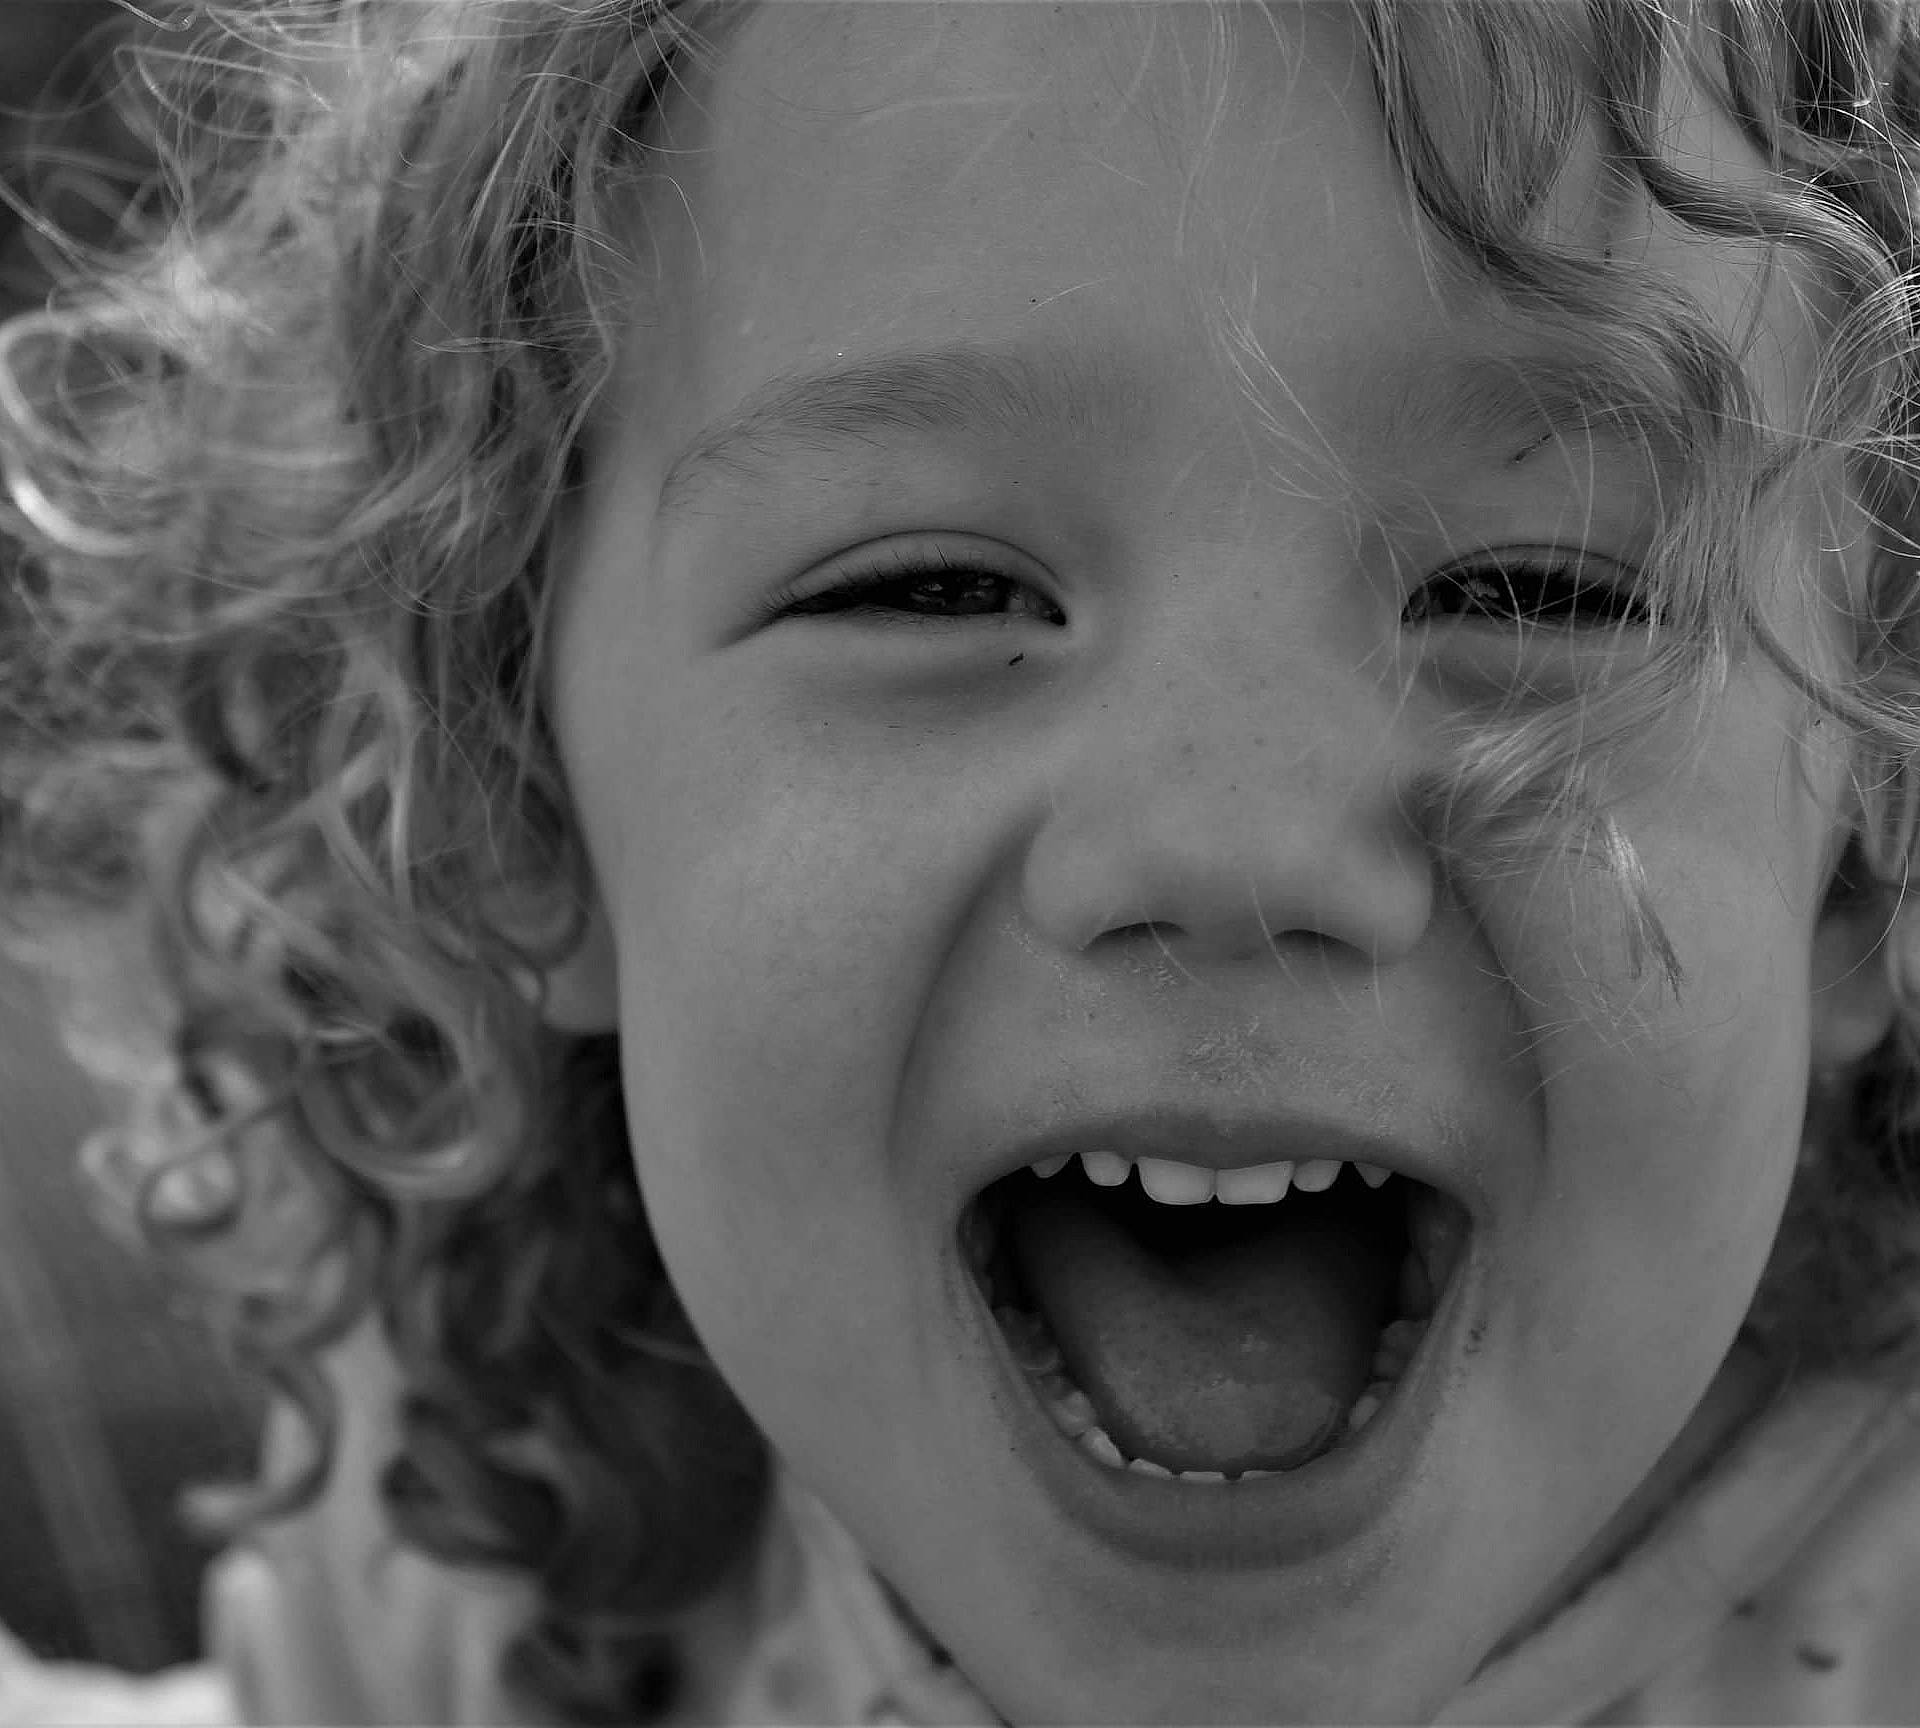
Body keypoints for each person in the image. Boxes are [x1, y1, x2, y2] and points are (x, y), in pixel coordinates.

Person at [4, 0, 1920, 1720]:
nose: (1227, 838)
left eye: (1536, 588)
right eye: (934, 586)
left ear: (1869, 843)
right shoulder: (530, 1554)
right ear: (513, 798)